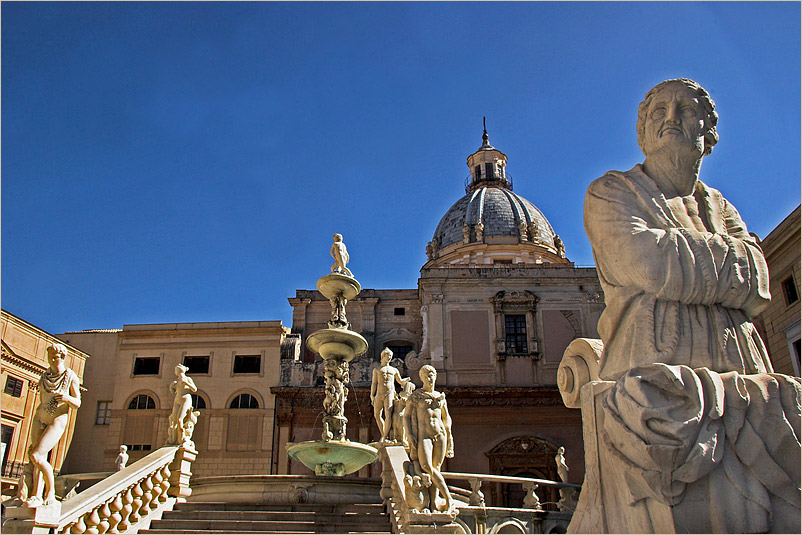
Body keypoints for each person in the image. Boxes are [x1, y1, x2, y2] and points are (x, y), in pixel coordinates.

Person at [584, 78, 772, 381]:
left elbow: (759, 282)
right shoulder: (610, 191)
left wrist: (675, 255)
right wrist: (729, 264)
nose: (671, 117)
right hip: (655, 374)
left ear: (707, 131)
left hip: (745, 369)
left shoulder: (720, 206)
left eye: (685, 109)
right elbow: (650, 265)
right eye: (660, 111)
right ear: (643, 131)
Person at [19, 343, 81, 507]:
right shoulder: (45, 376)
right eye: (50, 357)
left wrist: (67, 398)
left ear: (63, 357)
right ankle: (35, 495)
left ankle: (50, 492)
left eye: (56, 357)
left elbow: (78, 402)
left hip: (57, 419)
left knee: (37, 455)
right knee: (35, 456)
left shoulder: (70, 376)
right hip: (40, 416)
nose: (53, 360)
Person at [404, 365, 454, 512]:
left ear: (435, 376)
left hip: (440, 434)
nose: (429, 378)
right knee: (426, 467)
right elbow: (406, 416)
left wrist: (449, 435)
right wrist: (409, 434)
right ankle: (448, 498)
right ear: (421, 378)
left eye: (431, 375)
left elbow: (446, 418)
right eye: (426, 375)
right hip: (424, 435)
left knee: (436, 468)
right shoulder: (416, 396)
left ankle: (433, 504)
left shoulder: (440, 397)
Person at [370, 348, 410, 442]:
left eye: (391, 357)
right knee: (377, 415)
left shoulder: (394, 370)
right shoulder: (377, 370)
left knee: (388, 414)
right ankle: (384, 433)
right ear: (383, 356)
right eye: (388, 356)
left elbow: (400, 381)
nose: (389, 358)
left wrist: (406, 380)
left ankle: (384, 436)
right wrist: (372, 395)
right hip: (379, 394)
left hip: (390, 393)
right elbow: (374, 383)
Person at [167, 364, 197, 445]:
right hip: (177, 400)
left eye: (177, 369)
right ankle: (173, 439)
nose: (176, 371)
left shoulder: (187, 379)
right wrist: (172, 387)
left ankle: (182, 438)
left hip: (185, 399)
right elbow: (173, 393)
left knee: (180, 419)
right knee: (173, 419)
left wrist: (186, 383)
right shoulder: (176, 381)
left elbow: (194, 389)